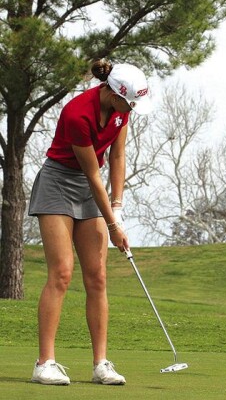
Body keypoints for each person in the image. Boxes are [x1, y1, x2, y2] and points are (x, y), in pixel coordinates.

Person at [28, 59, 153, 385]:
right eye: (130, 102)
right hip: (58, 183)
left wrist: (118, 206)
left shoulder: (122, 111)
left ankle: (101, 365)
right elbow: (92, 173)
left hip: (89, 189)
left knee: (97, 276)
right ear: (114, 94)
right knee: (62, 271)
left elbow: (117, 157)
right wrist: (113, 225)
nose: (132, 109)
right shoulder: (77, 113)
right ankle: (45, 363)